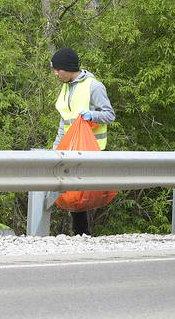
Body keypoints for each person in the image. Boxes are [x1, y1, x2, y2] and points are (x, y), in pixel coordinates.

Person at [50, 47, 116, 235]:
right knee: (74, 193)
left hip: (91, 149)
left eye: (58, 69)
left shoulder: (94, 86)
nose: (55, 73)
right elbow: (65, 121)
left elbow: (109, 115)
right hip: (71, 148)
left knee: (81, 194)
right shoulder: (66, 87)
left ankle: (82, 234)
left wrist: (91, 116)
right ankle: (81, 234)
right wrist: (55, 149)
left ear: (69, 68)